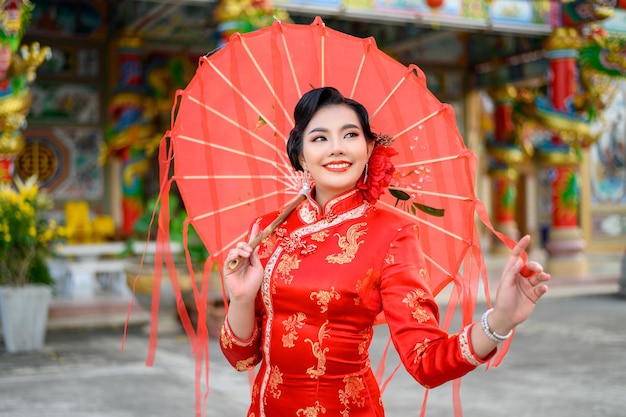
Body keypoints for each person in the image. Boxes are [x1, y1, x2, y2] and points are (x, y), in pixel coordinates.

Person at [220, 86, 550, 416]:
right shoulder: (266, 230)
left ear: (368, 148)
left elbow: (426, 362)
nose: (336, 148)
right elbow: (242, 358)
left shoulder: (391, 233)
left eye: (349, 135)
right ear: (302, 155)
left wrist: (501, 320)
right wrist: (241, 298)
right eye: (319, 138)